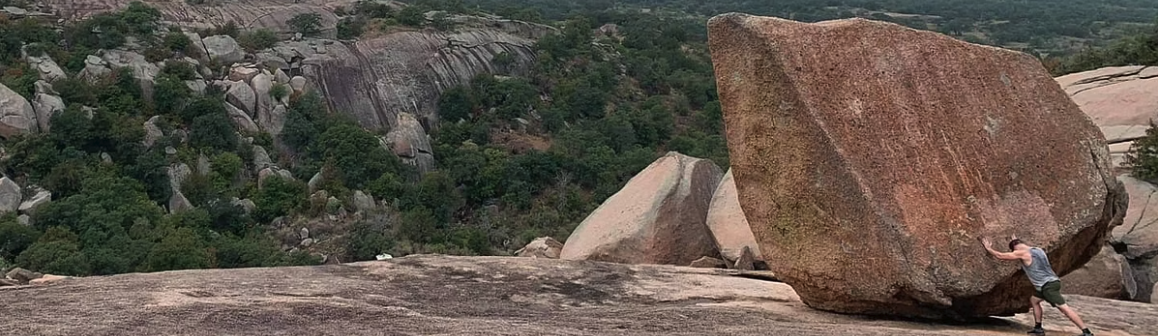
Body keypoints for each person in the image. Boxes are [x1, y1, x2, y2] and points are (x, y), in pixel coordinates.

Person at [979, 235, 1093, 336]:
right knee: (1034, 300)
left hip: (1048, 286)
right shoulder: (1038, 250)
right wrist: (1014, 240)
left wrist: (988, 248)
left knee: (1064, 309)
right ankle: (1038, 328)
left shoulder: (1022, 253)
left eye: (1013, 250)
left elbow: (1001, 256)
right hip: (1050, 283)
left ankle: (1086, 331)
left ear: (1014, 248)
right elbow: (1018, 245)